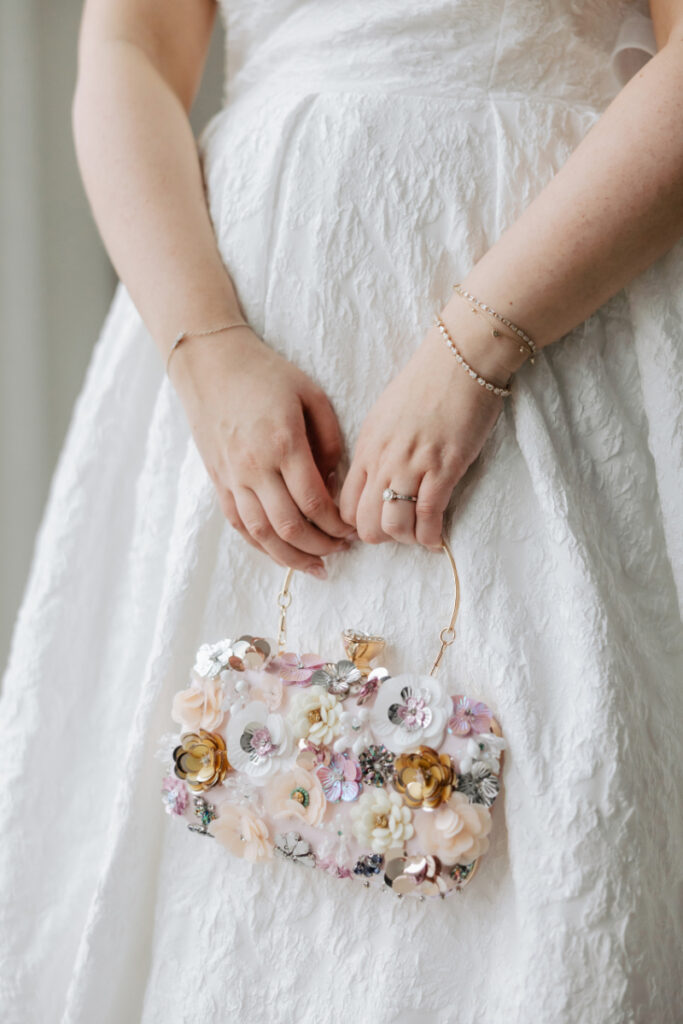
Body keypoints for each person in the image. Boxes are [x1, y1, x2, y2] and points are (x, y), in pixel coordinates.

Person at [1, 0, 681, 1021]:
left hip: (558, 305)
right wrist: (205, 348)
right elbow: (130, 45)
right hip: (239, 340)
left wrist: (479, 342)